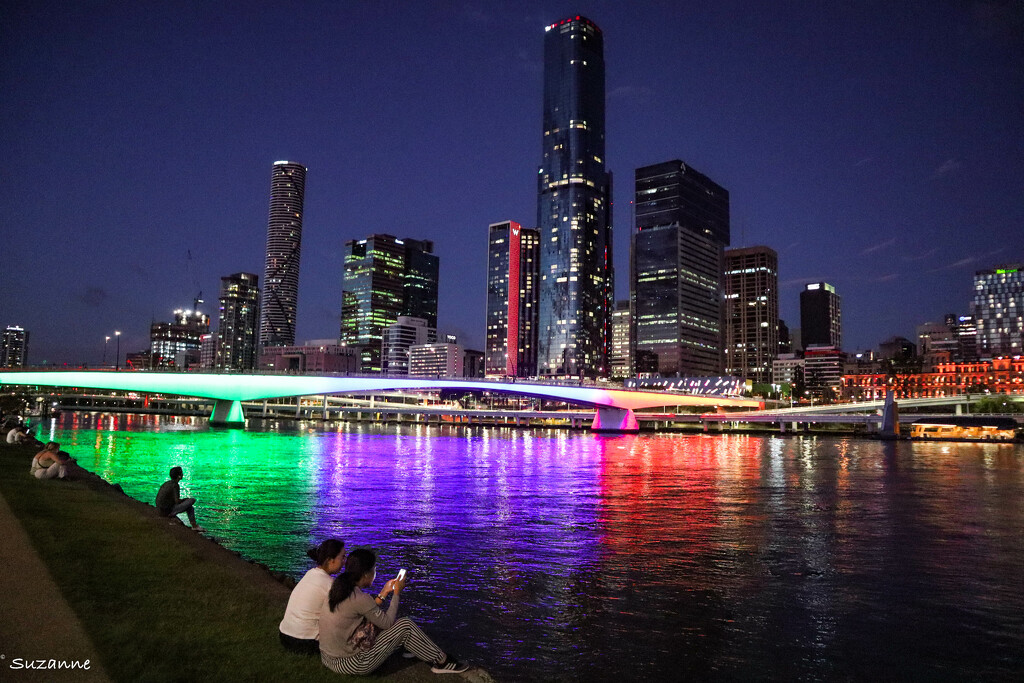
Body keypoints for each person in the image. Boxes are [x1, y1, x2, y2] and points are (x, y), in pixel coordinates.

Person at [318, 549, 468, 676]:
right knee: (405, 625)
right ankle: (442, 661)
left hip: (329, 657)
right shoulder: (359, 597)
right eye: (374, 569)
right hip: (351, 663)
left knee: (392, 626)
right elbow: (387, 622)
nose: (375, 572)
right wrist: (397, 593)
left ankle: (416, 647)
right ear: (365, 574)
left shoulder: (339, 588)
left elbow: (367, 610)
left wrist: (384, 592)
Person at [279, 539, 347, 655]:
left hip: (285, 635)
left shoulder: (311, 574)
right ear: (330, 560)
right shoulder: (329, 584)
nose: (344, 561)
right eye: (342, 557)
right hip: (305, 641)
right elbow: (346, 614)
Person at [154, 466, 205, 531]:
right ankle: (194, 526)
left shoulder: (167, 483)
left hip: (160, 508)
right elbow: (177, 501)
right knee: (192, 500)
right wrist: (185, 500)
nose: (183, 474)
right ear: (179, 476)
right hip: (166, 510)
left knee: (190, 507)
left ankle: (194, 526)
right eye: (181, 473)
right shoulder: (175, 485)